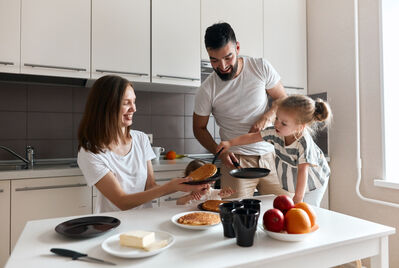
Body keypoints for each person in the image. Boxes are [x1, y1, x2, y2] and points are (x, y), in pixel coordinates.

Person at [77, 75, 208, 213]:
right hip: (112, 225)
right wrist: (171, 186)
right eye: (126, 103)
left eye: (133, 101)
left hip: (144, 220)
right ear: (106, 106)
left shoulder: (141, 139)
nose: (133, 108)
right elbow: (121, 201)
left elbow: (150, 187)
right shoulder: (90, 152)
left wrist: (187, 187)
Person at [193, 22, 289, 198]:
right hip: (235, 162)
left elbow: (283, 99)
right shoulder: (207, 89)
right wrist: (219, 152)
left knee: (287, 211)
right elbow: (198, 128)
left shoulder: (260, 67)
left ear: (237, 48)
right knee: (235, 218)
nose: (222, 66)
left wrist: (267, 117)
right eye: (214, 60)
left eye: (228, 57)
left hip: (270, 156)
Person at [217, 95, 332, 207]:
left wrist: (298, 197)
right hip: (298, 179)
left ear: (299, 127)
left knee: (308, 211)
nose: (277, 124)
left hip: (315, 181)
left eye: (284, 123)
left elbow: (303, 171)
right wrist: (230, 143)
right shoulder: (276, 132)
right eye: (277, 118)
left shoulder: (303, 143)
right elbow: (253, 137)